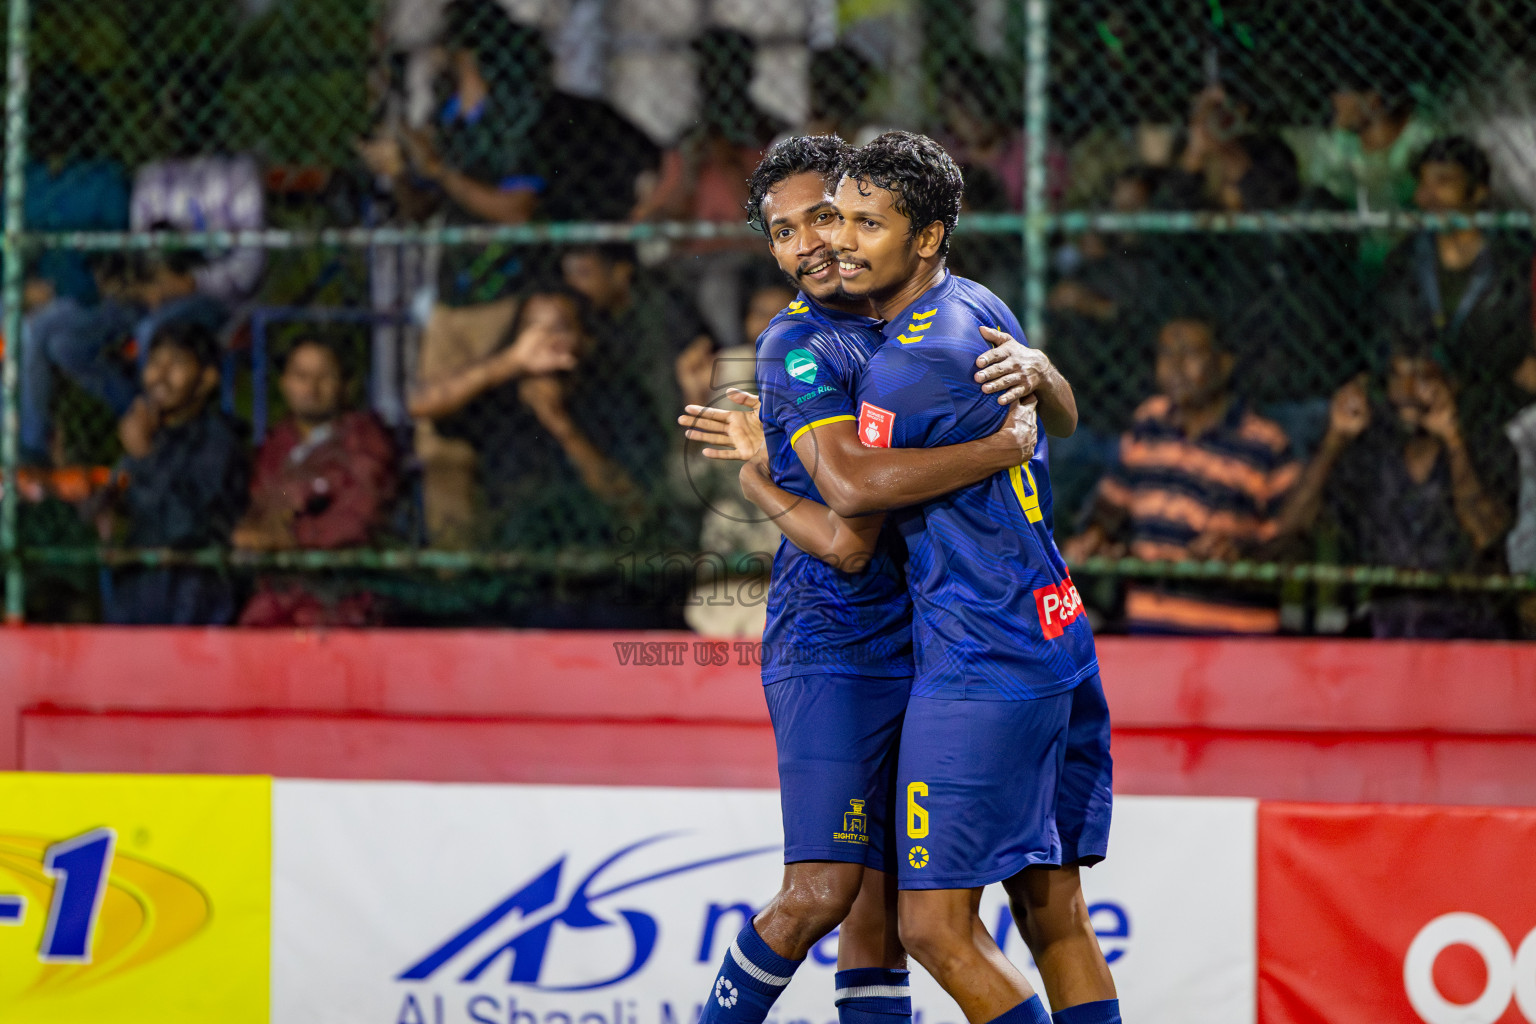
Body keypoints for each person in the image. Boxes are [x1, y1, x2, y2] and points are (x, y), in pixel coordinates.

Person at [676, 135, 1046, 1024]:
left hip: (930, 643)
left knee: (881, 917)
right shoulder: (798, 344)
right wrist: (759, 478)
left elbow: (1042, 410)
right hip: (833, 641)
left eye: (826, 216)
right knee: (820, 891)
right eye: (783, 230)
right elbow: (847, 538)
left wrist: (1042, 376)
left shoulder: (916, 316)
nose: (809, 240)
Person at [824, 132, 1117, 1024]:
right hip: (1056, 633)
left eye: (867, 223)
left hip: (982, 657)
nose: (842, 239)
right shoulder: (980, 304)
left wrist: (762, 466)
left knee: (935, 930)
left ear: (926, 238)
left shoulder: (904, 366)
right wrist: (1047, 378)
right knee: (1052, 912)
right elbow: (1057, 415)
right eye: (837, 217)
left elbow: (852, 513)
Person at [412, 284, 672, 624]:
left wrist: (560, 424)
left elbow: (630, 499)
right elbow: (421, 404)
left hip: (604, 569)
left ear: (586, 338)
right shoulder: (501, 400)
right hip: (513, 572)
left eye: (560, 327)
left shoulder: (618, 396)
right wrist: (507, 363)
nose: (546, 340)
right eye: (533, 329)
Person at [1064, 316, 1300, 634]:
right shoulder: (1150, 421)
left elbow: (1291, 538)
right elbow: (1112, 501)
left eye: (1189, 353)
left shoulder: (1265, 442)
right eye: (1166, 353)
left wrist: (1240, 552)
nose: (1174, 366)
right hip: (1149, 622)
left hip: (1235, 629)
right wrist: (1095, 534)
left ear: (1224, 364)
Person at [1275, 355, 1513, 638]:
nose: (1407, 389)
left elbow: (1485, 534)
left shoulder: (1483, 448)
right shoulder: (1370, 459)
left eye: (1422, 377)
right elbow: (1290, 526)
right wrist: (1335, 438)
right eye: (1397, 377)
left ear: (1451, 385)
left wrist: (1453, 439)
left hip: (1468, 634)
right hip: (1388, 634)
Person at [1376, 135, 1533, 488]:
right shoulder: (1404, 263)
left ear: (1478, 193)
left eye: (1443, 182)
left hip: (1503, 423)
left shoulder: (1517, 263)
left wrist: (1470, 387)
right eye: (1423, 184)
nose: (1426, 197)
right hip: (1423, 417)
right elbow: (1391, 348)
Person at [234, 338, 399, 627]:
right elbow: (266, 503)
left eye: (324, 376)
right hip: (279, 597)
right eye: (301, 376)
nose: (311, 387)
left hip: (342, 597)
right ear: (284, 383)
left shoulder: (364, 440)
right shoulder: (277, 446)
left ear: (346, 385)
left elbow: (359, 516)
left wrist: (291, 539)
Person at [100, 323, 248, 625]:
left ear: (207, 379)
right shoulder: (152, 432)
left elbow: (185, 523)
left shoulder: (219, 441)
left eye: (177, 364)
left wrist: (143, 456)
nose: (160, 376)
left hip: (194, 592)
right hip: (138, 585)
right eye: (154, 363)